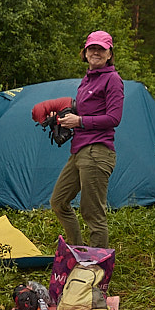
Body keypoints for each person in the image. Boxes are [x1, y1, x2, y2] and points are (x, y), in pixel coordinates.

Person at [49, 31, 124, 249]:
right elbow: (85, 109)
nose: (96, 52)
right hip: (79, 150)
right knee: (59, 202)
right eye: (92, 48)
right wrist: (62, 117)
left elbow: (113, 118)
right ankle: (77, 250)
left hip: (98, 152)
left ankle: (96, 269)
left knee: (93, 214)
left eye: (101, 49)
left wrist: (80, 121)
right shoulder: (88, 79)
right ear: (85, 52)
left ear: (110, 54)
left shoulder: (112, 79)